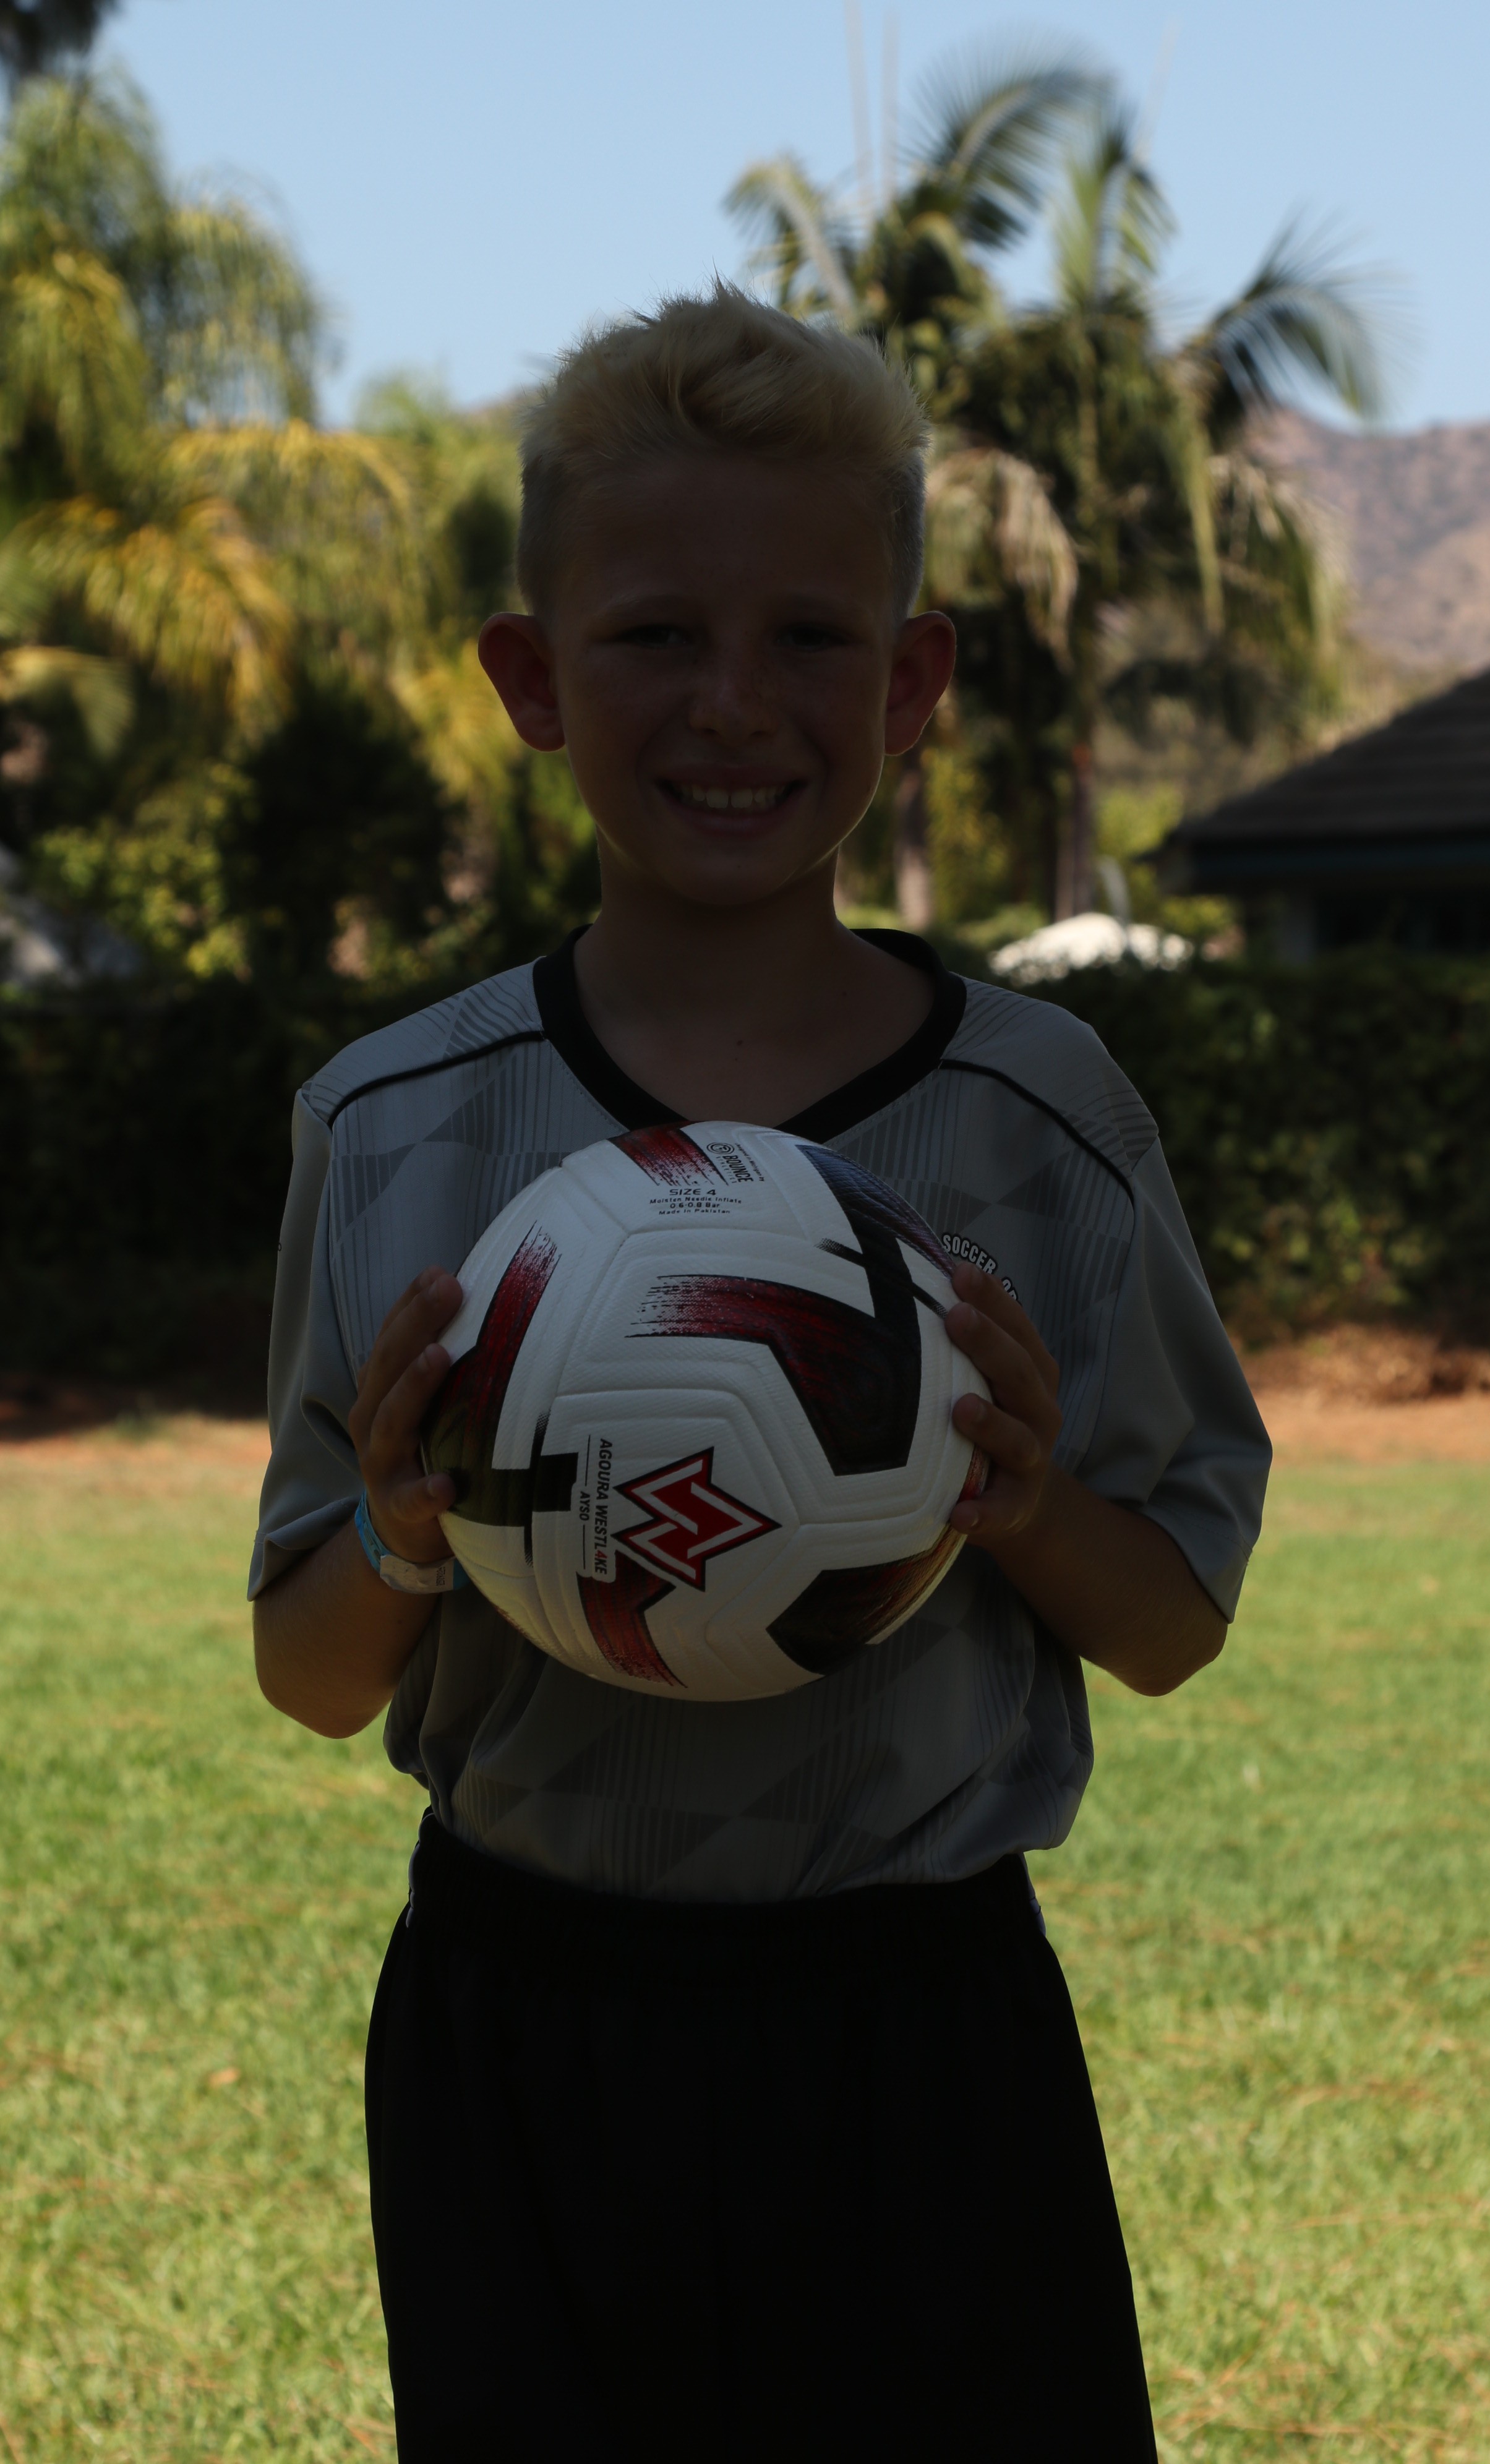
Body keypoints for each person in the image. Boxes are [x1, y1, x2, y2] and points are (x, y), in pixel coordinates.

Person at [249, 285, 1270, 2462]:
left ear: (911, 685)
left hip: (920, 2031)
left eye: (810, 635)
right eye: (654, 635)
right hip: (525, 2033)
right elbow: (310, 1677)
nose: (734, 701)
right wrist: (408, 1534)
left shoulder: (1044, 1119)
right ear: (533, 678)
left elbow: (1173, 1627)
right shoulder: (398, 1123)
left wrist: (1027, 1508)